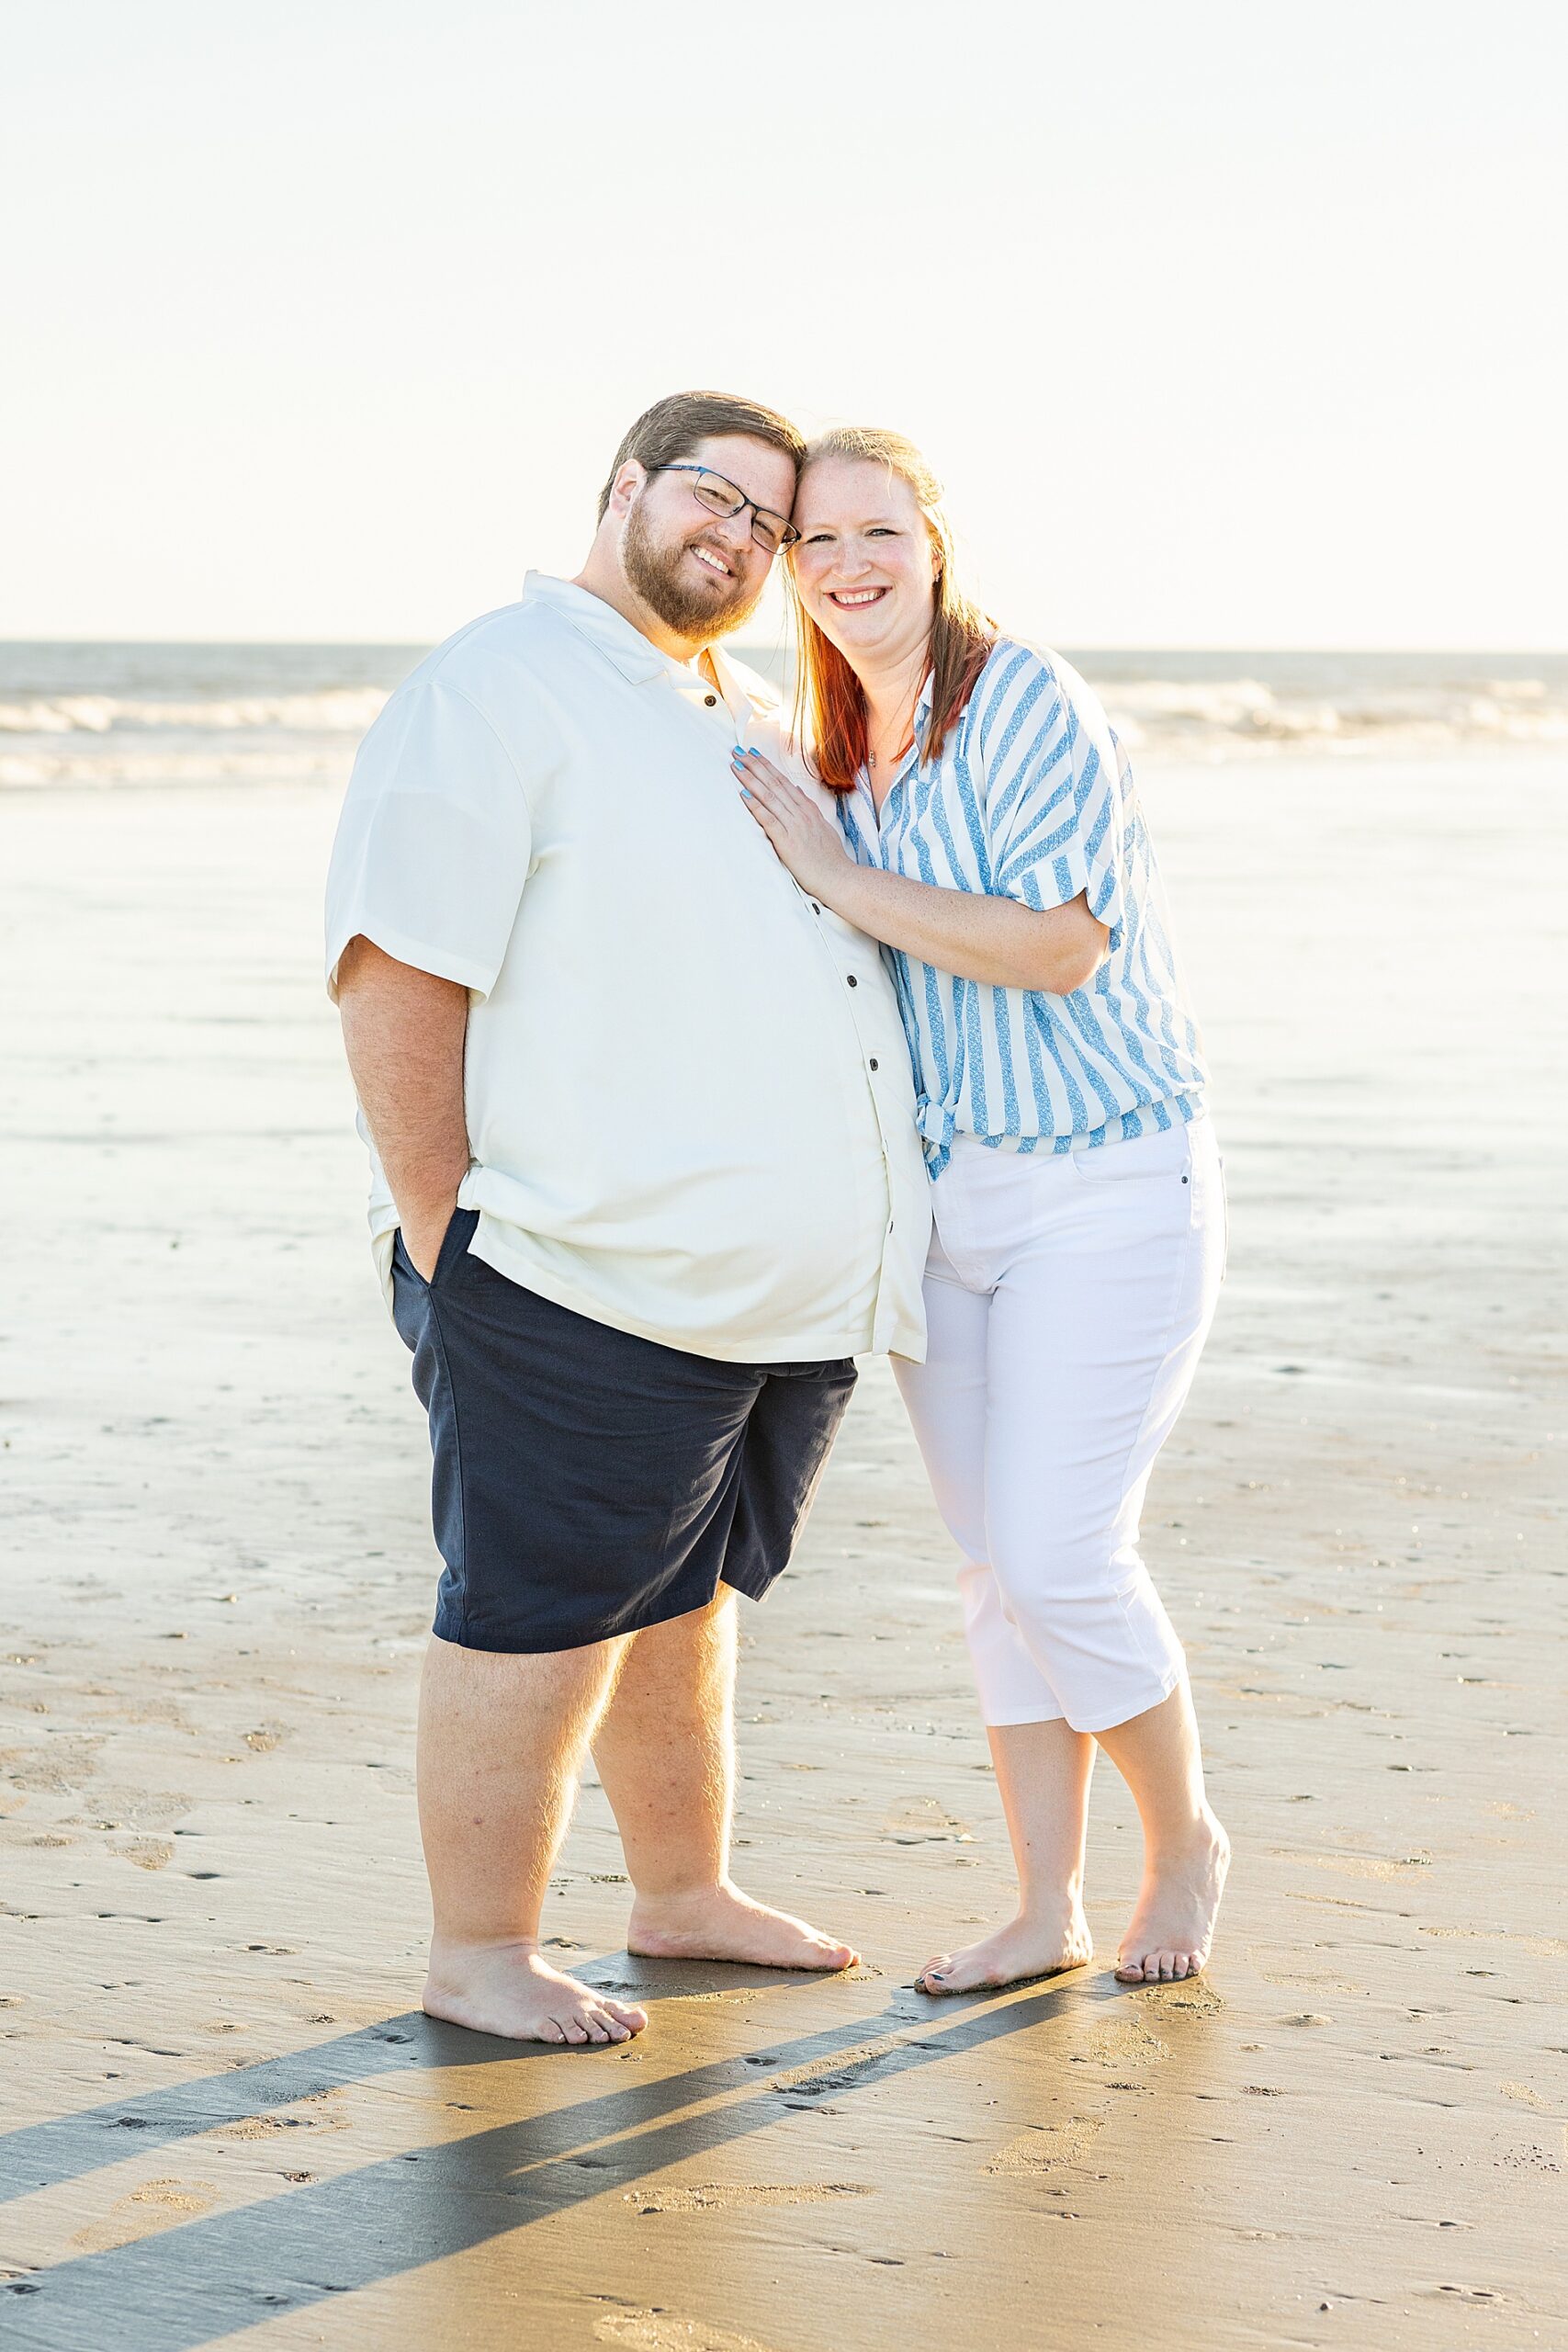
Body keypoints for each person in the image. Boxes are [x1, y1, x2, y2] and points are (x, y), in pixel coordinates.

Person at [324, 392, 928, 2045]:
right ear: (622, 489)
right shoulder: (502, 683)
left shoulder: (718, 704)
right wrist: (447, 1231)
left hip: (765, 1296)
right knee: (537, 1612)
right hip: (575, 1275)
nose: (738, 539)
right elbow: (399, 961)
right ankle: (478, 1952)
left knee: (681, 1602)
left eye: (770, 523)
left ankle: (681, 1892)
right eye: (713, 498)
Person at [734, 425, 1228, 1990]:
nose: (848, 567)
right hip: (948, 1208)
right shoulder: (838, 735)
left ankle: (1189, 1845)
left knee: (1060, 1551)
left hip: (1108, 1182)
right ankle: (1043, 1909)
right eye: (815, 545)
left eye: (876, 532)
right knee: (987, 1567)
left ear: (935, 543)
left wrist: (833, 876)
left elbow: (1060, 946)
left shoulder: (1022, 702)